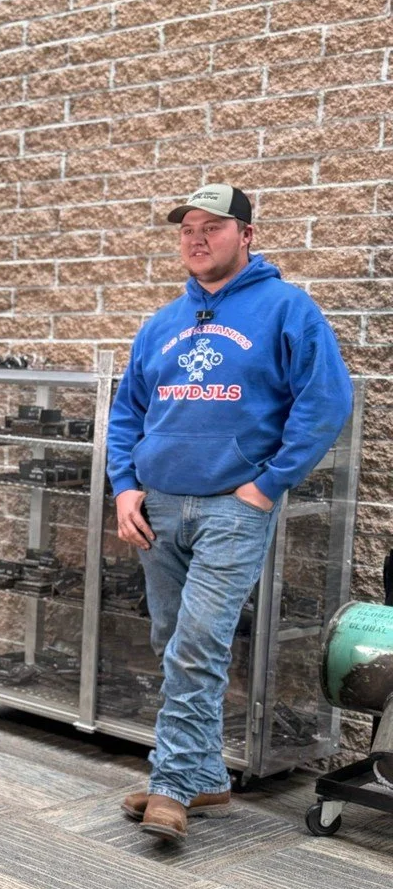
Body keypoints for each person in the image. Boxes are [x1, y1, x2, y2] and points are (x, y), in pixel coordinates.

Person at [108, 184, 352, 841]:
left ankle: (171, 784)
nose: (195, 237)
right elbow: (128, 411)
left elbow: (326, 401)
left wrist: (268, 484)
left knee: (197, 643)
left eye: (212, 226)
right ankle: (208, 774)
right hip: (156, 506)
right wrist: (124, 487)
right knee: (171, 643)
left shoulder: (286, 310)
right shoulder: (162, 323)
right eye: (187, 227)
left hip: (234, 508)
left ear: (245, 234)